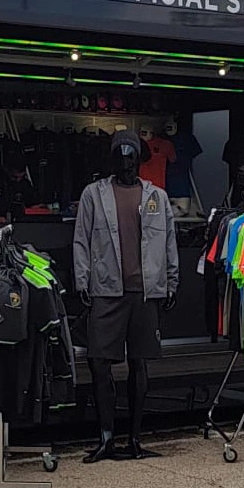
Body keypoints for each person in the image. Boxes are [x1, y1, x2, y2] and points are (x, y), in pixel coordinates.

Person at [73, 130, 179, 463]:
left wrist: (171, 282)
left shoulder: (157, 197)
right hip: (106, 289)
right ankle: (106, 438)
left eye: (130, 155)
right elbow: (81, 240)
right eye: (119, 155)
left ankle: (134, 438)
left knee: (140, 362)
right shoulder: (94, 194)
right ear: (113, 159)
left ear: (139, 158)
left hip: (145, 291)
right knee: (99, 362)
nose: (125, 161)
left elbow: (168, 241)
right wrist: (82, 280)